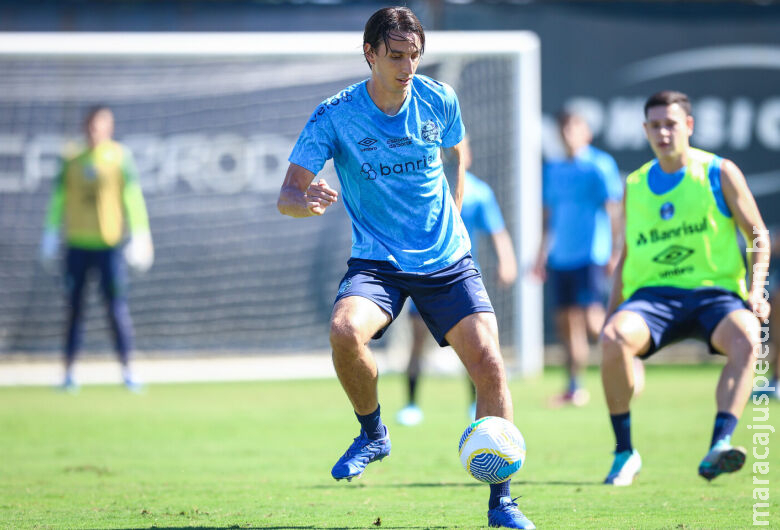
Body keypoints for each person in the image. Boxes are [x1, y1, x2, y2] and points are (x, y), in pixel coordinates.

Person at [277, 7, 534, 529]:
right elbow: (287, 193)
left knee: (489, 362)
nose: (407, 66)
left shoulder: (439, 98)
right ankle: (372, 432)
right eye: (396, 56)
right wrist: (306, 202)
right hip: (378, 261)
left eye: (414, 55)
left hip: (446, 260)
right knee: (345, 332)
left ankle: (502, 502)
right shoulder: (335, 114)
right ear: (369, 53)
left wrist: (455, 216)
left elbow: (459, 152)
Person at [600, 90, 770, 486]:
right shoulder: (635, 183)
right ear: (645, 130)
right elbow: (625, 255)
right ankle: (625, 453)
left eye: (671, 124)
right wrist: (611, 314)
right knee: (612, 338)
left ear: (689, 126)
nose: (663, 132)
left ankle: (720, 444)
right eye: (655, 125)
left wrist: (757, 290)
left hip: (715, 296)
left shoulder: (719, 171)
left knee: (748, 335)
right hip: (652, 299)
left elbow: (758, 234)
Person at [396, 136, 517, 426]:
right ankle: (411, 405)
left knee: (474, 344)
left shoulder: (479, 192)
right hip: (423, 276)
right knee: (417, 341)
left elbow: (497, 231)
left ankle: (474, 402)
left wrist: (507, 261)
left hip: (459, 280)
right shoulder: (424, 190)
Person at [40, 106, 154, 393]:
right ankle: (68, 373)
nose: (95, 131)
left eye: (101, 125)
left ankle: (128, 370)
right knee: (74, 309)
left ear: (109, 128)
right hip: (77, 245)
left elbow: (132, 196)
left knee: (116, 308)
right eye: (91, 125)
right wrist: (51, 232)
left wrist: (141, 234)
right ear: (85, 126)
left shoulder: (119, 158)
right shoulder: (71, 158)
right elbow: (59, 197)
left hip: (109, 245)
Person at [533, 111, 626, 407]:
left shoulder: (600, 165)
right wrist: (541, 254)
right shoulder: (554, 169)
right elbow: (548, 216)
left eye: (573, 127)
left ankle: (628, 356)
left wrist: (614, 251)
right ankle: (574, 387)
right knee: (566, 323)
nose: (566, 133)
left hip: (590, 254)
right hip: (561, 256)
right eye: (563, 128)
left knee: (591, 319)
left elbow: (613, 210)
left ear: (586, 132)